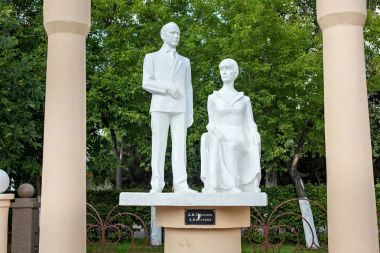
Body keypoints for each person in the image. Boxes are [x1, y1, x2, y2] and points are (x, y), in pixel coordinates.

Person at [143, 22, 196, 193]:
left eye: (178, 33)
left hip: (180, 108)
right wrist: (167, 87)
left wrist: (190, 111)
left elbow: (188, 88)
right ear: (163, 35)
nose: (176, 36)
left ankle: (181, 184)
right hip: (160, 106)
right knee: (158, 146)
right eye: (173, 33)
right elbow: (147, 82)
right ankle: (157, 183)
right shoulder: (151, 57)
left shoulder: (185, 61)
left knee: (180, 146)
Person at [200, 59, 261, 193]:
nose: (224, 72)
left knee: (235, 143)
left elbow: (250, 122)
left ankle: (237, 184)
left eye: (228, 69)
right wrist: (213, 129)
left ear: (235, 73)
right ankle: (222, 184)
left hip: (240, 135)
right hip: (220, 134)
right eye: (222, 69)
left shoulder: (244, 100)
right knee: (221, 141)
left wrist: (254, 131)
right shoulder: (213, 98)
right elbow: (211, 122)